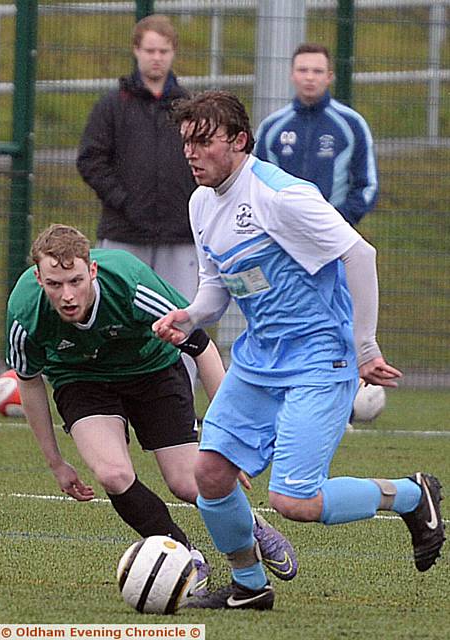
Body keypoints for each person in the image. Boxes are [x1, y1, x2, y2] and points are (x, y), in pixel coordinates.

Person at [153, 90, 445, 610]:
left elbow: (360, 253)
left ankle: (410, 494)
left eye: (204, 142)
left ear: (239, 141)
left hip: (318, 357)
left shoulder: (281, 195)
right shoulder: (201, 203)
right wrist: (191, 315)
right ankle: (248, 586)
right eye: (186, 144)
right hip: (259, 357)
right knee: (210, 474)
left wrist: (365, 346)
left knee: (294, 501)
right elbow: (218, 286)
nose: (192, 154)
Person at [6, 223, 298, 594]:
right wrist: (55, 462)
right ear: (38, 277)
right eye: (54, 284)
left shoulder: (131, 284)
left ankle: (251, 525)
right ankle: (185, 557)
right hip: (81, 379)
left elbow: (202, 348)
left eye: (76, 281)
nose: (67, 295)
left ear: (92, 270)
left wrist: (230, 438)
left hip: (153, 370)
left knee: (188, 483)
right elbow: (29, 380)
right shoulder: (24, 310)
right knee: (112, 474)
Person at [76, 15, 198, 382]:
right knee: (118, 312)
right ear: (136, 51)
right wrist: (126, 202)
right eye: (149, 50)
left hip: (181, 236)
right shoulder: (113, 106)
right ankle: (115, 387)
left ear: (173, 52)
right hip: (124, 234)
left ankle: (181, 399)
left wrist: (191, 207)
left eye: (163, 50)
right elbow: (90, 160)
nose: (156, 58)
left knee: (183, 316)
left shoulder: (189, 106)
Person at [254, 43, 378, 226]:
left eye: (317, 71)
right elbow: (257, 184)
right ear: (292, 75)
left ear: (329, 77)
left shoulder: (352, 124)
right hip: (281, 234)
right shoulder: (271, 128)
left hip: (333, 234)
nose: (309, 77)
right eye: (302, 70)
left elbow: (367, 185)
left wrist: (337, 222)